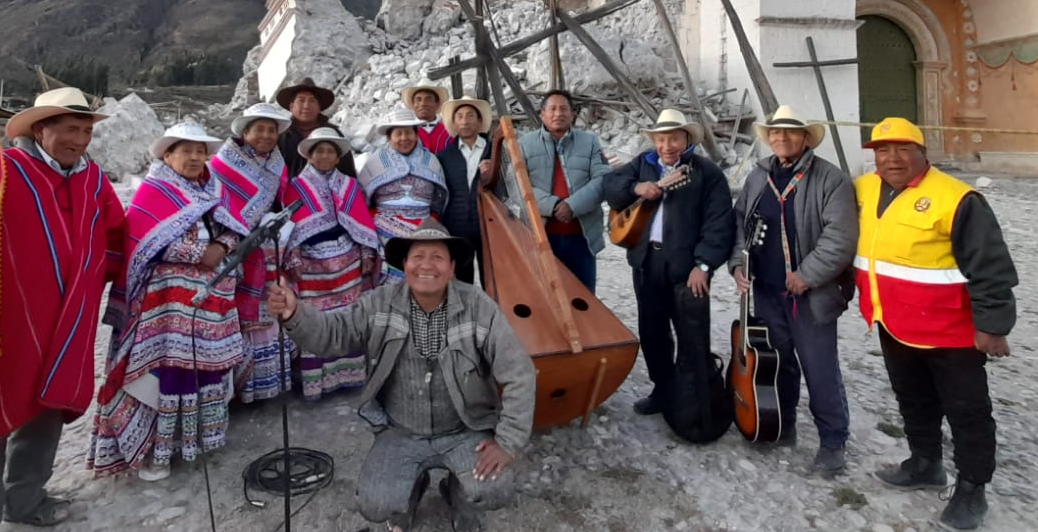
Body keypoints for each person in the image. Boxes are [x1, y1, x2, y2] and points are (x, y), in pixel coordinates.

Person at [266, 220, 535, 532]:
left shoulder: (479, 307)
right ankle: (411, 490)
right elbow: (333, 334)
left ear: (451, 268)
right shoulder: (380, 302)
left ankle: (458, 495)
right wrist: (294, 313)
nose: (426, 266)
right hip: (401, 432)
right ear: (405, 265)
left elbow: (520, 373)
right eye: (417, 257)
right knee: (374, 504)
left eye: (437, 257)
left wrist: (507, 442)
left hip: (466, 430)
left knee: (496, 488)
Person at [0, 87, 126, 532]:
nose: (79, 140)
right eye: (70, 129)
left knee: (46, 412)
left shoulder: (93, 180)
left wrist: (94, 277)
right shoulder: (2, 171)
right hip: (5, 326)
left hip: (68, 325)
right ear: (41, 129)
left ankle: (26, 500)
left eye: (86, 131)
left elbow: (115, 235)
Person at [856, 117, 1017, 531]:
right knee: (914, 399)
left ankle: (972, 489)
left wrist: (993, 325)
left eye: (902, 149)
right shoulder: (865, 189)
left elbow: (991, 266)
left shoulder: (958, 199)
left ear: (922, 152)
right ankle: (925, 462)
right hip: (894, 322)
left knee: (967, 411)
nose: (892, 158)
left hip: (950, 330)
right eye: (882, 150)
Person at [89, 123, 245, 481]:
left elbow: (234, 228)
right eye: (186, 150)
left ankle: (195, 441)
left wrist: (219, 247)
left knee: (204, 370)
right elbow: (144, 243)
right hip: (166, 308)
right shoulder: (153, 192)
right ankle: (154, 452)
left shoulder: (214, 188)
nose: (195, 157)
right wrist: (198, 254)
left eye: (200, 151)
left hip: (211, 303)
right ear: (167, 155)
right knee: (165, 374)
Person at [729, 106, 856, 472]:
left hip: (810, 295)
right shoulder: (759, 175)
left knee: (820, 368)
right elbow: (740, 222)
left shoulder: (831, 180)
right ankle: (782, 424)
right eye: (775, 132)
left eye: (790, 132)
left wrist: (807, 275)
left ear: (805, 138)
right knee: (778, 362)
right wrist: (738, 264)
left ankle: (833, 442)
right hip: (766, 291)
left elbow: (840, 237)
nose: (781, 138)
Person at [603, 108, 733, 416]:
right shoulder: (643, 164)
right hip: (647, 262)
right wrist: (636, 188)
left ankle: (693, 400)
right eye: (661, 139)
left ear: (687, 140)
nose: (667, 146)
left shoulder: (707, 173)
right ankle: (662, 390)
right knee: (653, 332)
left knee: (691, 336)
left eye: (674, 139)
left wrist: (704, 265)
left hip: (688, 269)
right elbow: (610, 187)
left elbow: (719, 224)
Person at [281, 127, 384, 400]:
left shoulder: (349, 185)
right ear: (309, 155)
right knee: (316, 320)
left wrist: (367, 254)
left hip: (348, 261)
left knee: (349, 317)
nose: (325, 156)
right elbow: (290, 228)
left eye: (330, 151)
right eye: (319, 151)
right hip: (311, 265)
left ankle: (350, 376)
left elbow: (362, 222)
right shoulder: (295, 186)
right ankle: (318, 382)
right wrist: (293, 258)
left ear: (338, 158)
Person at [209, 102, 294, 404]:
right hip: (229, 248)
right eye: (259, 129)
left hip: (266, 249)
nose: (266, 135)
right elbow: (212, 202)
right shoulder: (222, 163)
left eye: (272, 130)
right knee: (232, 316)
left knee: (266, 314)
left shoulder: (277, 164)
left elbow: (283, 200)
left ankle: (264, 385)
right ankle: (237, 389)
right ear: (245, 132)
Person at [517, 90, 611, 292]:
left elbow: (603, 179)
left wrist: (572, 205)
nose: (558, 114)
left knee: (584, 297)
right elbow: (517, 184)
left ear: (572, 113)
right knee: (546, 299)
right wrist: (553, 205)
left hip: (582, 238)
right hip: (540, 238)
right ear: (542, 114)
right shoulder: (524, 144)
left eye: (563, 109)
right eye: (552, 109)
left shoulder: (589, 142)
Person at [358, 107, 448, 282]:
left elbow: (439, 198)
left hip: (424, 229)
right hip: (384, 232)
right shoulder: (375, 162)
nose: (404, 138)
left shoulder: (431, 160)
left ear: (416, 134)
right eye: (398, 133)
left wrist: (432, 222)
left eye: (408, 132)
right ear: (389, 137)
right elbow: (363, 199)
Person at [435, 96, 493, 284]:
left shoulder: (495, 151)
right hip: (456, 224)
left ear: (479, 121)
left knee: (492, 275)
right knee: (461, 278)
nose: (465, 121)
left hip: (490, 224)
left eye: (470, 116)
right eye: (459, 116)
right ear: (454, 123)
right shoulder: (444, 157)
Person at [274, 77, 356, 178]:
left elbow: (348, 171)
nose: (306, 106)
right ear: (291, 107)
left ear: (319, 107)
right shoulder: (281, 137)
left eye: (312, 101)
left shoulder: (334, 134)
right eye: (301, 100)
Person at [402, 80, 453, 154]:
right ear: (413, 104)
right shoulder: (405, 132)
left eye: (428, 99)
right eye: (418, 99)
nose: (423, 104)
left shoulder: (450, 132)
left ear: (437, 103)